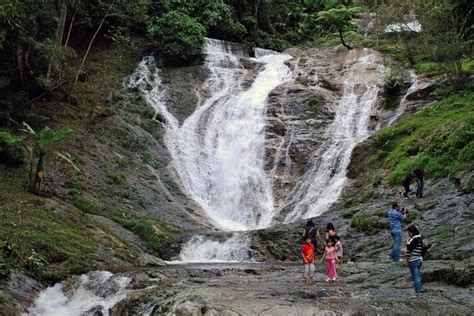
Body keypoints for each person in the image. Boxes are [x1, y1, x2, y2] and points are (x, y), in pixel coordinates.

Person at [406, 225, 424, 299]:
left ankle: (417, 293)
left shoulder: (415, 239)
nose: (408, 234)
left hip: (414, 260)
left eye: (408, 232)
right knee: (418, 275)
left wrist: (407, 241)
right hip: (419, 259)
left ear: (411, 232)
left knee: (415, 276)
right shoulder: (420, 238)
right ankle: (420, 288)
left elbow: (409, 248)